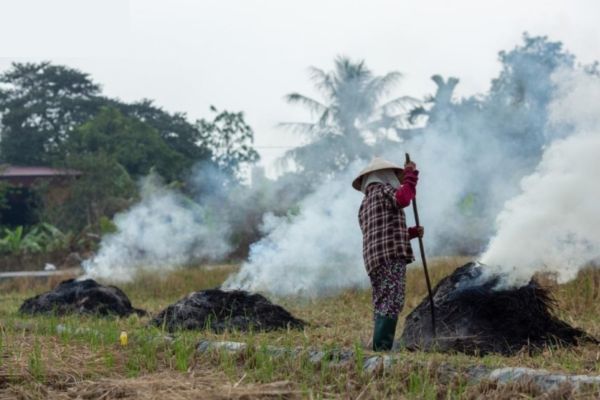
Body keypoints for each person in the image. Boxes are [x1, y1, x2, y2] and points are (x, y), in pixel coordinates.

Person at [352, 157, 423, 351]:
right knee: (392, 300)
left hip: (375, 260)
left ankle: (378, 346)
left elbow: (383, 233)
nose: (394, 179)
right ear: (384, 176)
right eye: (393, 175)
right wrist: (410, 176)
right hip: (390, 257)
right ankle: (382, 348)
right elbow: (404, 198)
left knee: (382, 301)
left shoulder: (364, 204)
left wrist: (411, 233)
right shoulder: (384, 191)